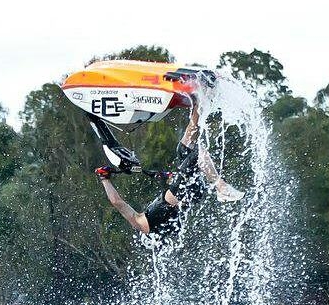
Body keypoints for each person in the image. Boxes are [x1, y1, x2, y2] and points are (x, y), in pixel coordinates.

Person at [94, 97, 243, 240]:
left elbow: (119, 202)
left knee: (184, 147)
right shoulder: (139, 223)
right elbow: (116, 202)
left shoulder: (146, 220)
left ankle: (199, 103)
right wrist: (104, 179)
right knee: (197, 152)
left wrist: (167, 178)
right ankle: (221, 188)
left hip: (188, 192)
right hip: (184, 193)